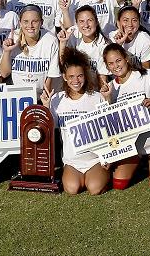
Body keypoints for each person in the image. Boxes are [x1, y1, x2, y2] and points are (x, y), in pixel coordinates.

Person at [103, 44, 150, 192]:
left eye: (118, 60)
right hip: (131, 146)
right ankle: (139, 161)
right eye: (111, 63)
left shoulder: (147, 75)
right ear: (107, 67)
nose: (116, 66)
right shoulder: (110, 88)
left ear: (126, 59)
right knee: (118, 184)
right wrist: (108, 99)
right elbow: (110, 124)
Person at [42, 49, 108, 195]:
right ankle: (79, 177)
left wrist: (106, 157)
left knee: (95, 188)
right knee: (72, 189)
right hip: (72, 161)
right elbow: (50, 129)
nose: (76, 81)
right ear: (64, 77)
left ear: (85, 76)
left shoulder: (96, 97)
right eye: (71, 76)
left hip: (94, 158)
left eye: (79, 76)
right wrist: (46, 107)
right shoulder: (57, 99)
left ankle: (97, 175)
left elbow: (107, 130)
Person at [0, 5, 60, 100]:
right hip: (16, 96)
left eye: (35, 21)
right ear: (20, 23)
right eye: (26, 21)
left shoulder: (51, 40)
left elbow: (51, 76)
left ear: (41, 23)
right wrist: (7, 51)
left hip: (40, 96)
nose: (30, 26)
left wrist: (43, 101)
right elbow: (4, 74)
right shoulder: (13, 38)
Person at [58, 5, 110, 84]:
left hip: (94, 89)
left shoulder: (104, 44)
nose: (86, 25)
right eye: (81, 21)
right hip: (76, 86)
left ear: (96, 22)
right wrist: (63, 43)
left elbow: (102, 77)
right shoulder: (73, 35)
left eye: (90, 20)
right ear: (77, 24)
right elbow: (63, 64)